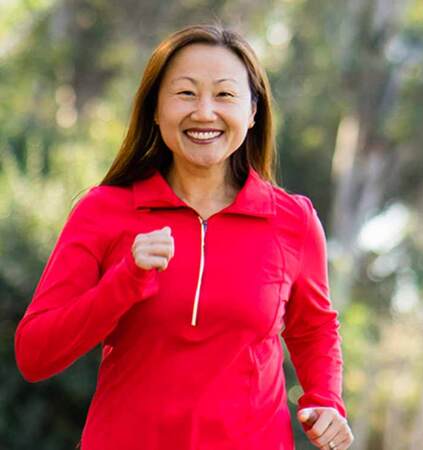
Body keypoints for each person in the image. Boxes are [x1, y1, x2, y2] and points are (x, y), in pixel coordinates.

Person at [14, 24, 353, 450]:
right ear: (156, 109)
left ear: (253, 112)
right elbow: (35, 354)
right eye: (186, 93)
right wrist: (125, 280)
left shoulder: (293, 220)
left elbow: (314, 328)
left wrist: (326, 401)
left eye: (225, 95)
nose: (205, 112)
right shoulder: (104, 210)